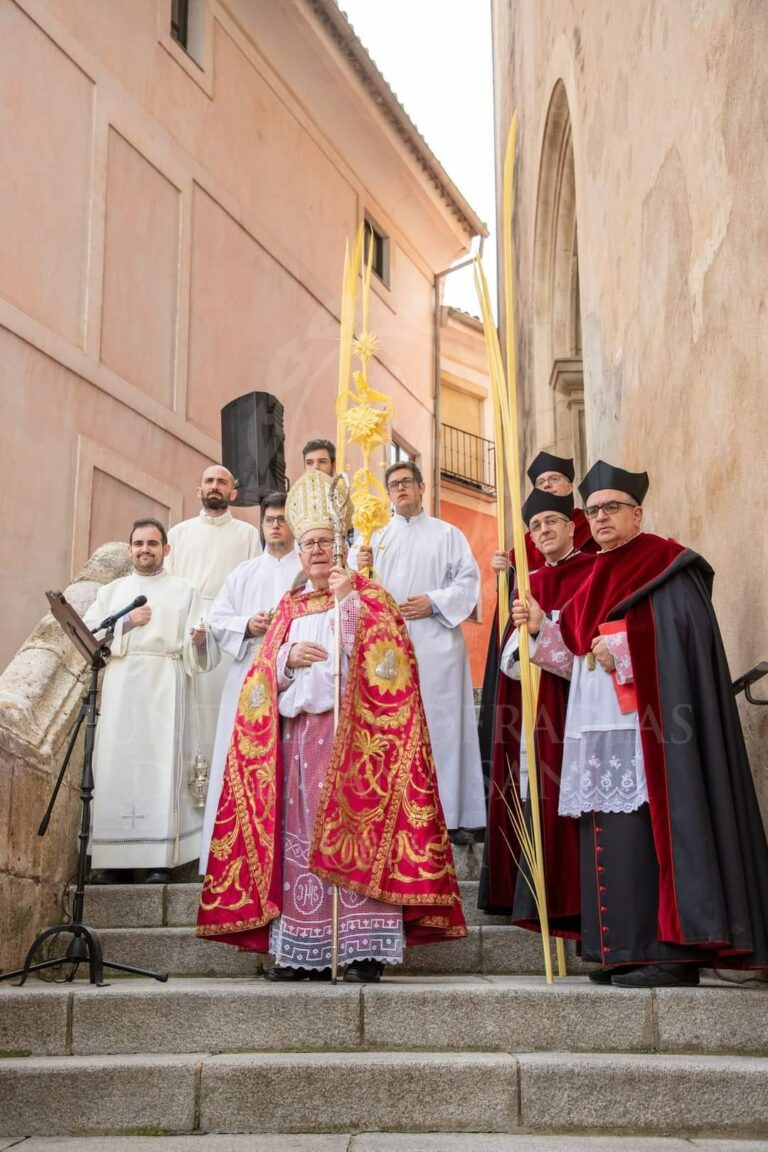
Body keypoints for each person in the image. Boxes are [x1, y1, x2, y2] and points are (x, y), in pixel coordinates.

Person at [197, 469, 466, 981]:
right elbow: (257, 681)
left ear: (342, 545)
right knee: (299, 846)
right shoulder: (289, 608)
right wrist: (285, 658)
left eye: (326, 542)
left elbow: (393, 668)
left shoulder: (371, 598)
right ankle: (307, 951)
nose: (317, 551)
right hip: (296, 743)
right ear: (299, 553)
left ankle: (361, 950)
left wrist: (350, 609)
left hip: (357, 743)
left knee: (357, 839)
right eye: (309, 544)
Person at [512, 461, 768, 986]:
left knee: (644, 838)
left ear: (637, 513)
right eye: (593, 509)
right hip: (596, 728)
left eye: (611, 508)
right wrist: (543, 631)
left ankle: (668, 956)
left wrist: (624, 649)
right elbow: (573, 657)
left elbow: (682, 633)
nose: (601, 517)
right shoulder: (594, 574)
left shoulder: (666, 563)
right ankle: (620, 951)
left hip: (647, 735)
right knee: (608, 834)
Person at [355, 460, 486, 842]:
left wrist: (433, 601)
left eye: (406, 482)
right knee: (391, 729)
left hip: (436, 642)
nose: (400, 489)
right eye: (393, 484)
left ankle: (449, 814)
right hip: (386, 648)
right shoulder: (374, 539)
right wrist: (358, 564)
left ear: (422, 486)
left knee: (442, 727)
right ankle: (394, 813)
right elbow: (353, 588)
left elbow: (468, 582)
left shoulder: (448, 534)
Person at [480, 490, 594, 917]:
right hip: (540, 713)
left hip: (581, 707)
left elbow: (587, 646)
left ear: (570, 526)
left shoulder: (591, 572)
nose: (544, 531)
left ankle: (578, 900)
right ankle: (546, 899)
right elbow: (510, 664)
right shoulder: (530, 584)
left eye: (552, 522)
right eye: (535, 526)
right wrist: (528, 632)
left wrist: (545, 627)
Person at [84, 519, 216, 884]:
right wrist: (126, 623)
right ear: (129, 549)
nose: (145, 549)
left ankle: (160, 859)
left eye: (153, 543)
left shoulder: (185, 589)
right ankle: (114, 862)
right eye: (139, 543)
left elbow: (197, 647)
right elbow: (89, 636)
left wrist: (200, 640)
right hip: (122, 685)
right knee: (116, 768)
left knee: (162, 770)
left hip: (165, 686)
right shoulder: (112, 592)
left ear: (166, 549)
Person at [199, 493, 302, 874]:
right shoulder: (243, 573)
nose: (275, 525)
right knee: (240, 760)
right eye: (270, 519)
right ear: (262, 526)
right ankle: (236, 848)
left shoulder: (305, 573)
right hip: (248, 674)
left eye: (282, 519)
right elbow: (217, 618)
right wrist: (247, 624)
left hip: (294, 676)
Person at [165, 465, 261, 782]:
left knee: (221, 710)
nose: (214, 486)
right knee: (186, 713)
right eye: (208, 481)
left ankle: (221, 784)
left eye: (222, 482)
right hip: (186, 627)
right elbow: (168, 587)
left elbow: (254, 587)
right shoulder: (178, 534)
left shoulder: (247, 535)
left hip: (229, 632)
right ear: (199, 490)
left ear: (233, 493)